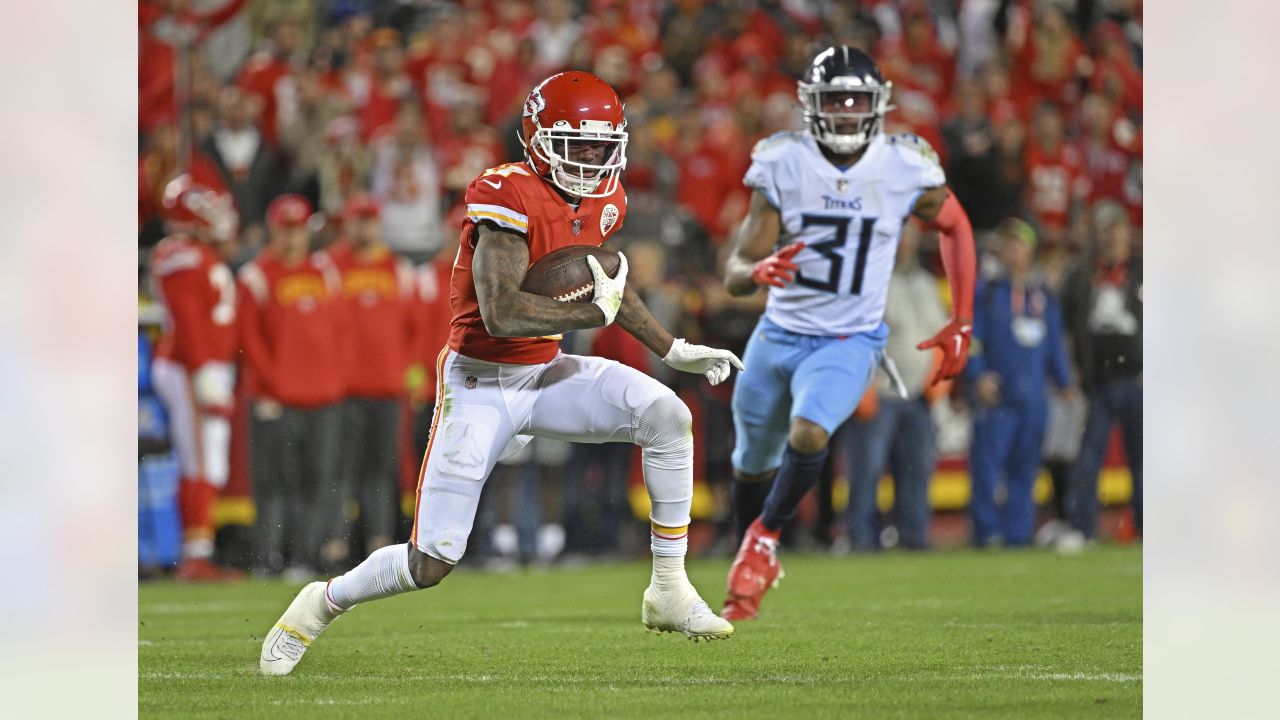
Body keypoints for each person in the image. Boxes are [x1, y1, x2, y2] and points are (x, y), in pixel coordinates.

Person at [260, 71, 743, 676]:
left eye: (602, 146)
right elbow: (504, 311)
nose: (592, 160)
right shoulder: (505, 193)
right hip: (480, 381)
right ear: (538, 138)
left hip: (545, 371)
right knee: (431, 560)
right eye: (578, 146)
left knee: (668, 414)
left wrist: (672, 350)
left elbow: (609, 285)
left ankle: (668, 589)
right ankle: (319, 604)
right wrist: (594, 311)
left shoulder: (606, 198)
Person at [720, 47, 976, 621]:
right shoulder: (783, 162)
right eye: (833, 99)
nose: (845, 110)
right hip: (778, 332)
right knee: (750, 463)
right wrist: (753, 273)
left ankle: (763, 540)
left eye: (856, 99)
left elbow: (956, 228)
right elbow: (735, 271)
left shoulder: (904, 164)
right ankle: (750, 543)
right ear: (811, 105)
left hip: (849, 339)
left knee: (810, 433)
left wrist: (962, 317)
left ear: (877, 103)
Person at [237, 194, 347, 577]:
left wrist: (335, 379)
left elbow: (337, 331)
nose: (291, 238)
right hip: (276, 398)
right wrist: (275, 384)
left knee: (318, 479)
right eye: (285, 230)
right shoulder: (255, 276)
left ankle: (306, 556)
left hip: (323, 395)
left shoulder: (324, 273)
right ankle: (268, 558)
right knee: (274, 482)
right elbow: (250, 342)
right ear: (273, 230)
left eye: (297, 230)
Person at [148, 175, 243, 581]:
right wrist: (205, 374)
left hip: (204, 364)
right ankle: (195, 555)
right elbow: (188, 322)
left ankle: (198, 551)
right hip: (190, 365)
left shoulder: (198, 253)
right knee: (199, 459)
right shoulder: (181, 256)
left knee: (211, 461)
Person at [842, 221, 951, 551]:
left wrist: (939, 380)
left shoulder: (925, 282)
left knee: (917, 469)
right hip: (880, 391)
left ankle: (914, 536)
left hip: (918, 395)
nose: (905, 244)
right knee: (867, 471)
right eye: (898, 238)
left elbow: (940, 335)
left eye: (909, 239)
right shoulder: (867, 283)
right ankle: (860, 538)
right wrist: (861, 388)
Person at [965, 218, 1072, 547]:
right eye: (1007, 243)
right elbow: (972, 337)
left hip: (1033, 396)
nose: (1013, 250)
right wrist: (978, 374)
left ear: (1031, 250)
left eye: (1019, 243)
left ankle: (1018, 533)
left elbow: (1054, 340)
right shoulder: (987, 292)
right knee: (987, 468)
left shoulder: (1042, 295)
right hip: (998, 395)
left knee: (1025, 470)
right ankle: (986, 533)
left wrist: (1065, 381)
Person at [324, 193, 418, 560]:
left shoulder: (400, 269)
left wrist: (407, 375)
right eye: (358, 220)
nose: (364, 227)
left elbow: (413, 330)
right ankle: (335, 542)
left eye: (370, 220)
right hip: (343, 389)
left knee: (382, 469)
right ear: (348, 223)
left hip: (387, 387)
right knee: (341, 468)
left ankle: (378, 541)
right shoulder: (329, 267)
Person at [1061, 199, 1142, 542]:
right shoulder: (1081, 275)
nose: (1110, 236)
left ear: (1127, 230)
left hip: (1139, 379)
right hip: (1097, 382)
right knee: (1087, 460)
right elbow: (1066, 328)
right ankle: (1083, 528)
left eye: (1116, 228)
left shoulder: (1144, 270)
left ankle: (1148, 530)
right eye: (1104, 229)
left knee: (1144, 461)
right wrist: (1073, 372)